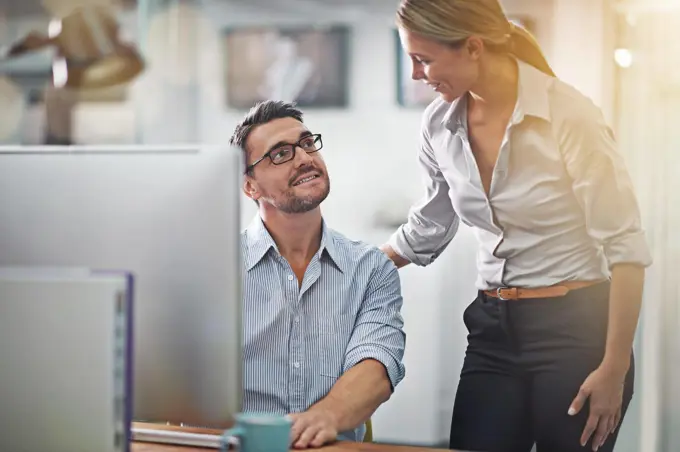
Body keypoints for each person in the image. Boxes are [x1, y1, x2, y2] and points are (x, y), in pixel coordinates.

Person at [380, 1, 652, 452]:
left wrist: (614, 368)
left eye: (423, 59)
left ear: (472, 47)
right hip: (493, 331)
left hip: (576, 332)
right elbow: (429, 225)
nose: (415, 75)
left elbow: (626, 249)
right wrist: (352, 271)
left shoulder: (569, 115)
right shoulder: (439, 125)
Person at [230, 100, 406, 449]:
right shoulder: (218, 268)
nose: (304, 158)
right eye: (280, 153)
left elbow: (377, 364)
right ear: (250, 186)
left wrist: (327, 415)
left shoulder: (370, 268)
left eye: (307, 143)